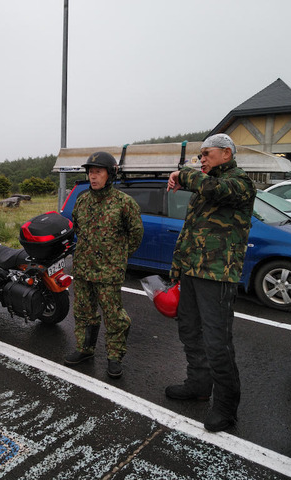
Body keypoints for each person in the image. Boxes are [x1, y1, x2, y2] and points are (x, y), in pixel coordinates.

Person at [165, 133, 255, 432]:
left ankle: (227, 409)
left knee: (218, 342)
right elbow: (191, 232)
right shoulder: (205, 186)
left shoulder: (239, 182)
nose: (201, 158)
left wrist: (182, 173)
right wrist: (177, 268)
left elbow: (212, 188)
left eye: (207, 153)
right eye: (199, 154)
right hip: (192, 271)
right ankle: (198, 384)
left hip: (217, 275)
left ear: (226, 154)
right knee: (189, 329)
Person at [64, 151, 143, 379]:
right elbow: (77, 228)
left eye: (98, 172)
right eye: (90, 172)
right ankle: (85, 349)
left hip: (108, 272)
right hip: (83, 269)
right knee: (83, 313)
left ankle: (114, 357)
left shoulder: (124, 203)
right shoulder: (82, 200)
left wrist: (118, 257)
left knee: (114, 316)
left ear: (110, 174)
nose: (93, 176)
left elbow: (135, 234)